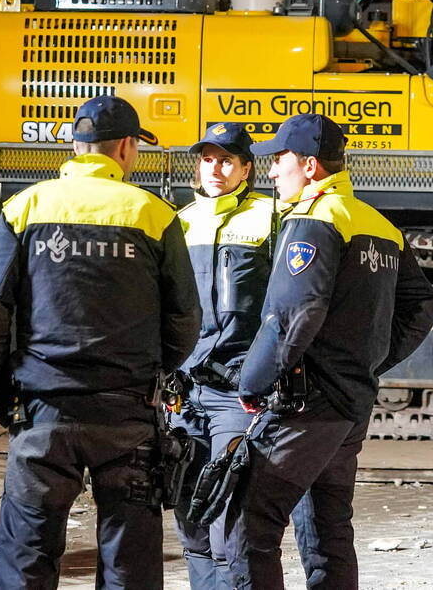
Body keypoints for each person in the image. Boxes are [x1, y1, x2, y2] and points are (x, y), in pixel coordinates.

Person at [0, 94, 200, 589]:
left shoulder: (24, 207)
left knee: (26, 555)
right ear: (127, 148)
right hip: (127, 414)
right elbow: (184, 320)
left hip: (42, 410)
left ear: (76, 145)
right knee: (129, 562)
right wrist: (151, 375)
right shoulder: (155, 215)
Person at [223, 113, 433, 590]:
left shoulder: (314, 221)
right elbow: (420, 305)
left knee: (246, 522)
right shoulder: (378, 224)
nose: (273, 172)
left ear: (311, 165)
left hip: (306, 407)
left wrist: (252, 383)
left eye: (280, 161)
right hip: (350, 404)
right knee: (328, 529)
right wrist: (369, 360)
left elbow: (291, 316)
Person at [172, 122, 276, 588]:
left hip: (236, 391)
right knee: (188, 510)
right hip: (184, 390)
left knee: (229, 516)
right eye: (209, 159)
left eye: (227, 160)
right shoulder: (180, 221)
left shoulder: (270, 216)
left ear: (245, 169)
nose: (216, 168)